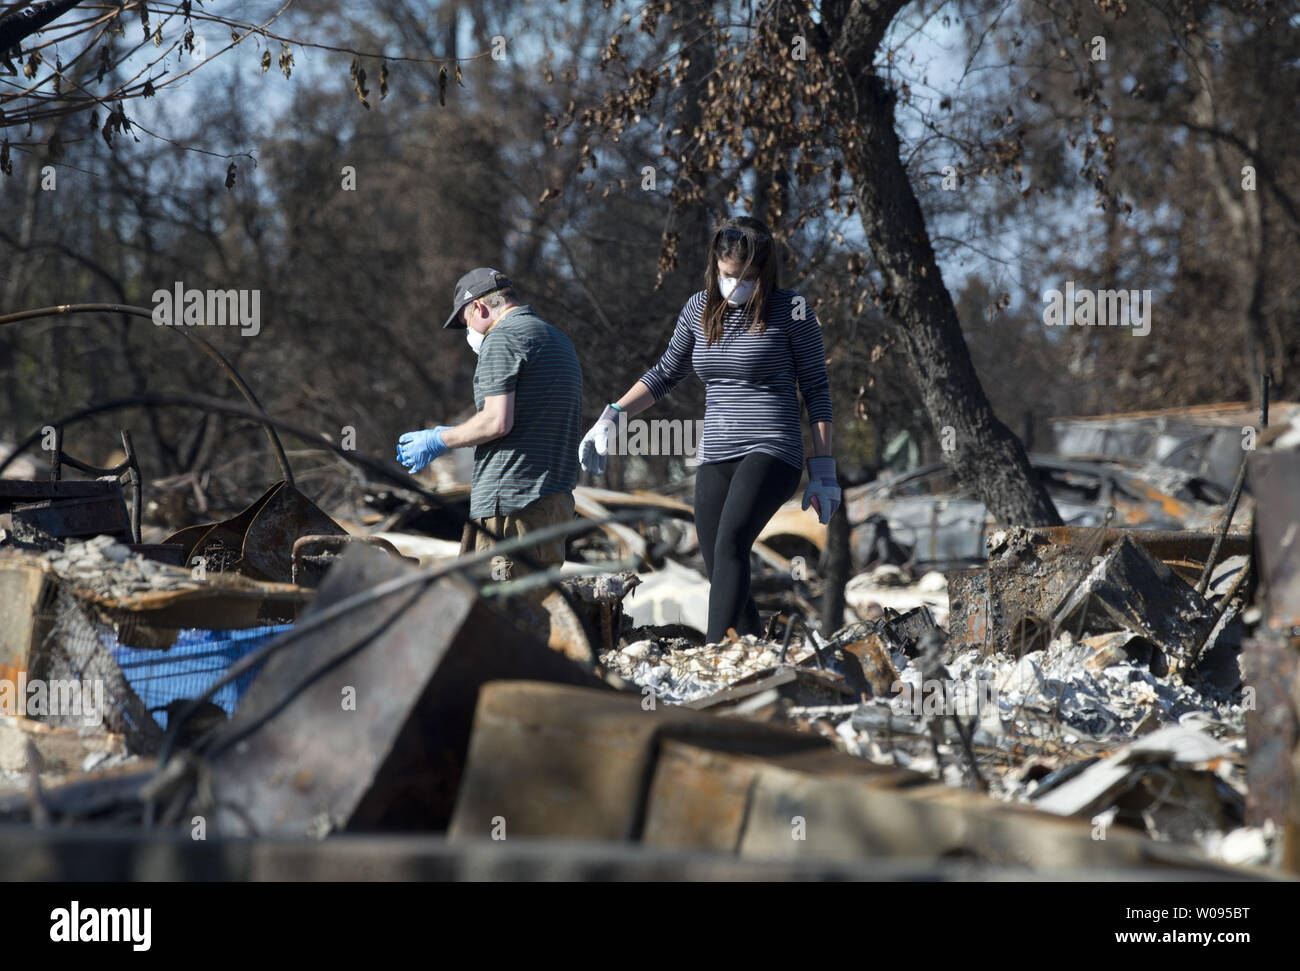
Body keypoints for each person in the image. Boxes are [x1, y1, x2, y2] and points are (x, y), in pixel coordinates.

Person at [579, 217, 839, 643]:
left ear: (764, 273)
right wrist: (612, 417)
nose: (734, 285)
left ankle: (716, 649)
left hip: (772, 447)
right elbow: (665, 373)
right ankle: (752, 647)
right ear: (715, 268)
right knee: (719, 562)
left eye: (746, 278)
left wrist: (824, 471)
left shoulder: (792, 311)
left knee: (731, 542)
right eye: (727, 275)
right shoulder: (699, 308)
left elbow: (817, 389)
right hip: (717, 451)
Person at [397, 267, 583, 578]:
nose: (470, 331)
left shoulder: (502, 338)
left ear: (479, 308)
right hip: (551, 503)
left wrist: (437, 440)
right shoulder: (557, 339)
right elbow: (527, 417)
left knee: (508, 611)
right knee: (537, 608)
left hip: (512, 506)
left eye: (466, 321)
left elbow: (497, 422)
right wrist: (453, 432)